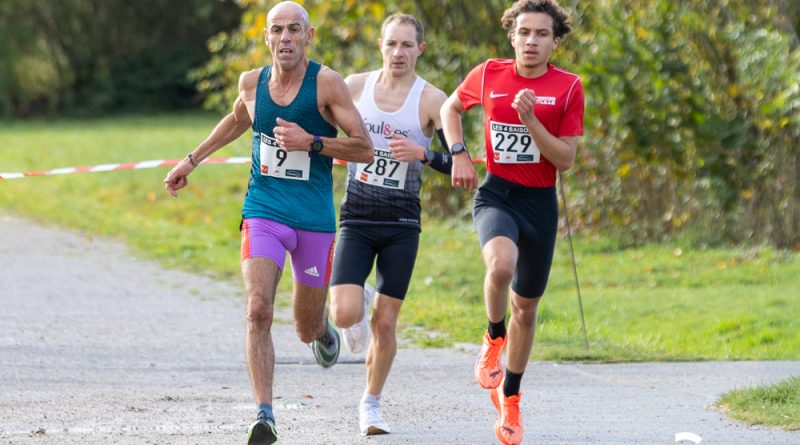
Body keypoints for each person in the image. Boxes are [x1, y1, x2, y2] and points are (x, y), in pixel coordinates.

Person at [162, 2, 373, 444]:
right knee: (258, 309)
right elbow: (238, 120)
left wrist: (312, 142)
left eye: (294, 30)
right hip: (264, 209)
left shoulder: (327, 84)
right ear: (266, 37)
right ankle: (265, 415)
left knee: (304, 327)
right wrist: (191, 161)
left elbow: (364, 149)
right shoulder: (251, 83)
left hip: (314, 218)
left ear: (309, 36)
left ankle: (322, 331)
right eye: (277, 30)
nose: (286, 39)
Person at [440, 1, 584, 444]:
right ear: (512, 36)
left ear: (555, 42)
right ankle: (492, 336)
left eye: (542, 34)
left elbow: (566, 159)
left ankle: (512, 399)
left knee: (527, 306)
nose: (531, 41)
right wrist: (459, 153)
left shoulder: (568, 87)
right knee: (500, 266)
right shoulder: (488, 74)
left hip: (539, 202)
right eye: (524, 33)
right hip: (497, 193)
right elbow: (450, 109)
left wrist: (531, 121)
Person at [328, 13, 451, 437]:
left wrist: (424, 154)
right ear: (380, 45)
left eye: (406, 45)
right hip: (357, 217)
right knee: (345, 315)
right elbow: (323, 133)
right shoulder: (354, 87)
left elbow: (459, 163)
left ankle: (371, 403)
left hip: (402, 222)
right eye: (391, 44)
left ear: (421, 49)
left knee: (385, 323)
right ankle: (357, 298)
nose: (398, 53)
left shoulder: (433, 100)